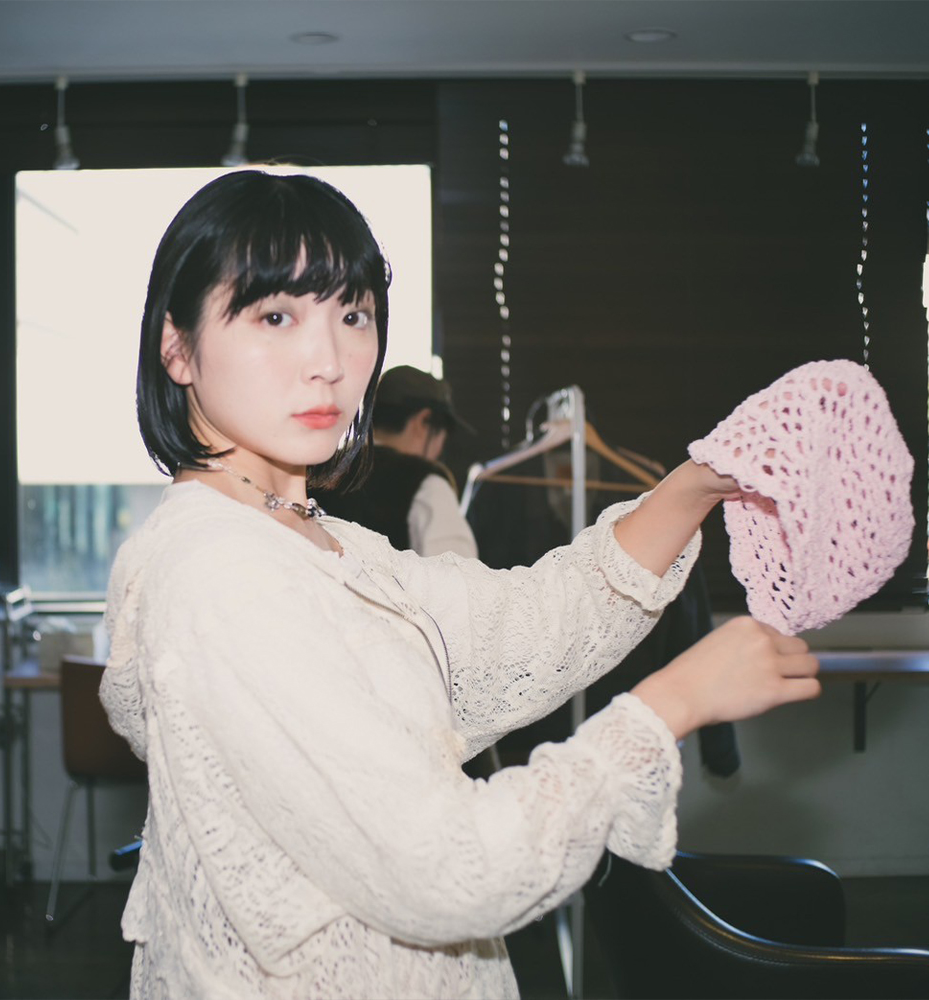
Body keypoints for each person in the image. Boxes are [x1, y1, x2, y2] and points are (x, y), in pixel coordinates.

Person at [100, 169, 821, 1000]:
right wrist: (674, 703)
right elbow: (446, 868)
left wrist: (694, 485)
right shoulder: (223, 573)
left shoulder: (316, 539)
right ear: (177, 346)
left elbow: (515, 627)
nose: (329, 363)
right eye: (275, 316)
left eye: (353, 315)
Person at [312, 364, 479, 557]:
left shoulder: (320, 470)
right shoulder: (427, 485)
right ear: (423, 421)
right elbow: (457, 571)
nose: (440, 450)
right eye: (443, 436)